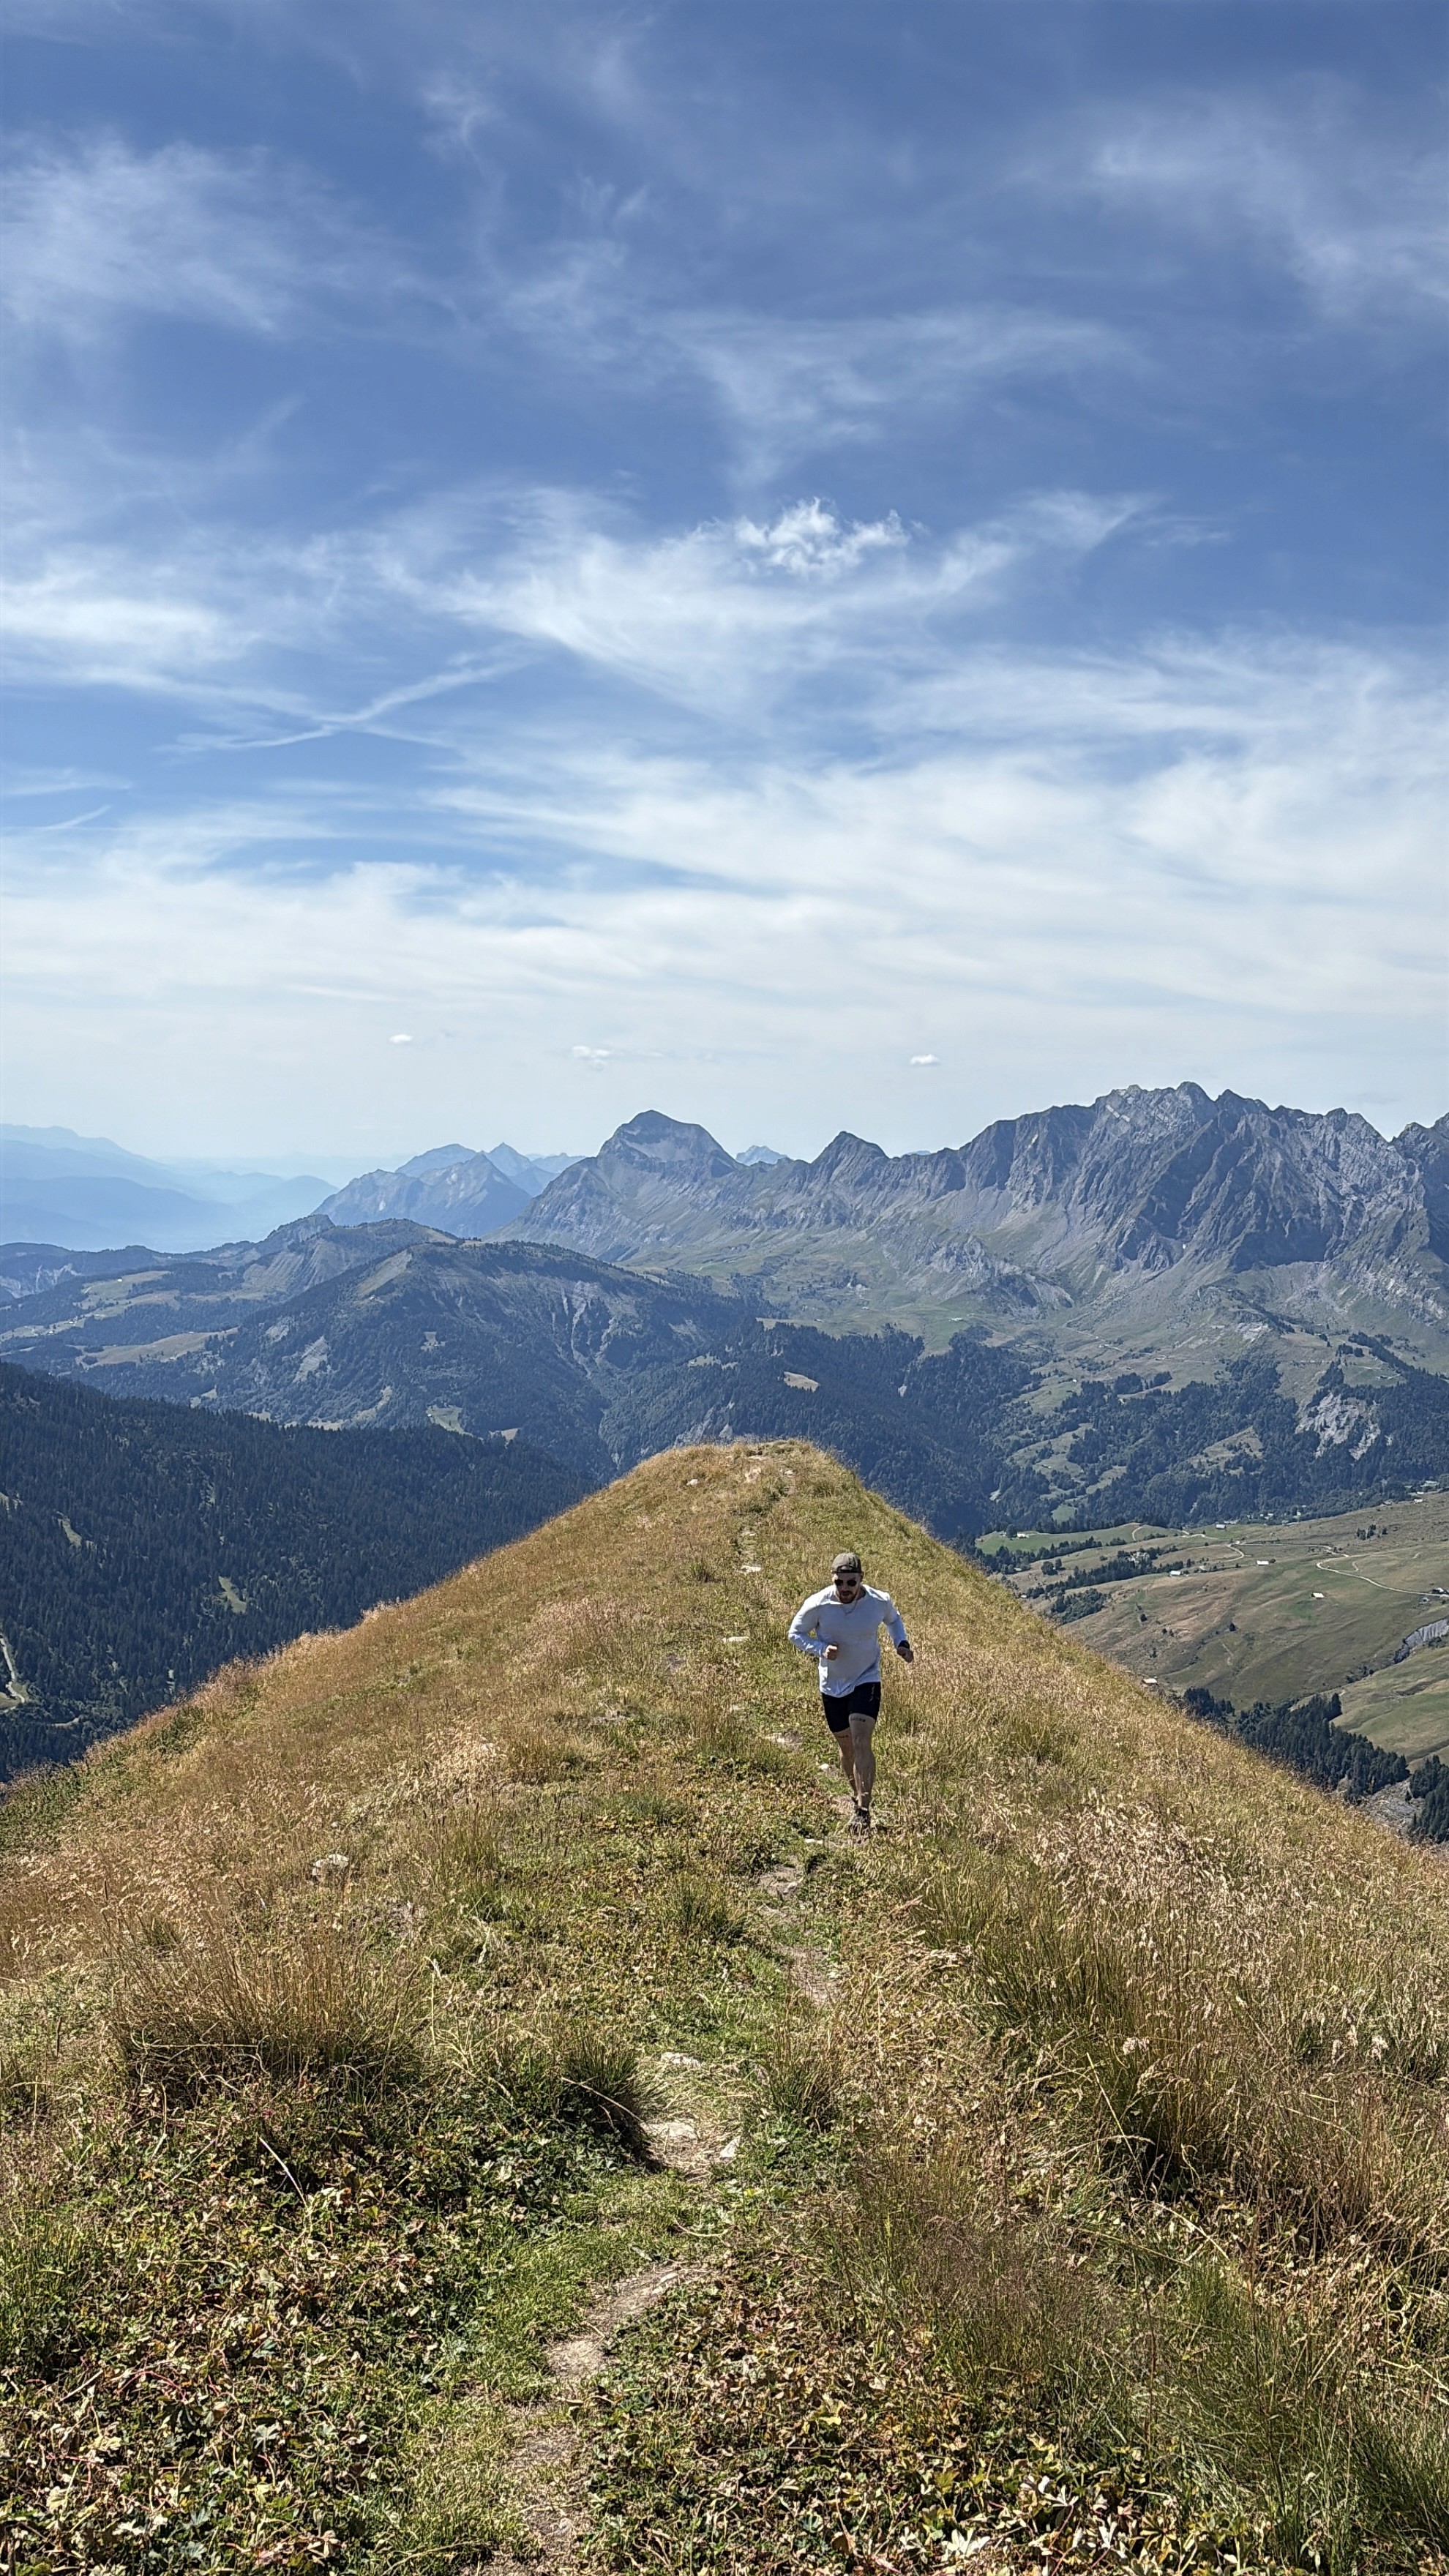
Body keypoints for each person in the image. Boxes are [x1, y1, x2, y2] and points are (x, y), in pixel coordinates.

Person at [787, 1550, 913, 1832]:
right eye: (839, 1582)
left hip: (866, 1677)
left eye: (851, 1582)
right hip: (832, 1685)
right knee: (846, 1749)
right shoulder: (819, 1603)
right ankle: (855, 1795)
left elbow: (894, 1620)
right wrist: (820, 1649)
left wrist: (901, 1643)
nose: (845, 1589)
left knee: (861, 1741)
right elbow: (794, 1633)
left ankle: (863, 1810)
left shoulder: (878, 1601)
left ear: (861, 1579)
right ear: (832, 1579)